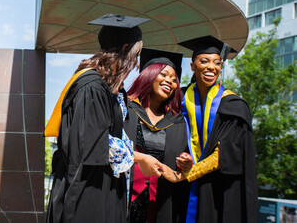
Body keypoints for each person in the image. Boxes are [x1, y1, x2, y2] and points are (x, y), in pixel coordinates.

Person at [45, 14, 164, 223]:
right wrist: (141, 158)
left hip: (103, 186)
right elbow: (95, 143)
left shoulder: (108, 86)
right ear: (126, 49)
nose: (136, 62)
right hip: (86, 190)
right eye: (136, 54)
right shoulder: (92, 86)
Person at [161, 35, 258, 223]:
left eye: (217, 63)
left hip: (217, 186)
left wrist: (190, 173)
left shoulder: (233, 105)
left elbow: (228, 152)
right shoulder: (178, 100)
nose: (211, 67)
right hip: (179, 183)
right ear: (193, 66)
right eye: (204, 61)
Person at [124, 48, 192, 223]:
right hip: (124, 195)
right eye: (164, 74)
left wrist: (186, 160)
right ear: (149, 75)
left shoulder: (177, 122)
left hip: (160, 200)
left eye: (174, 79)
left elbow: (185, 156)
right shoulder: (126, 109)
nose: (169, 81)